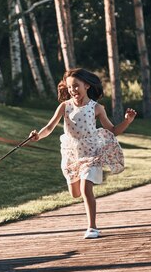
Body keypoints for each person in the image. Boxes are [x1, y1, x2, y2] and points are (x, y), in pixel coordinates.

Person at [29, 68, 137, 239]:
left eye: (76, 86)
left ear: (86, 85)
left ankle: (92, 227)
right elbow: (49, 128)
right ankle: (85, 200)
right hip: (71, 153)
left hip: (91, 152)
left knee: (86, 188)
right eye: (70, 88)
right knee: (75, 193)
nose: (73, 90)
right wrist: (37, 136)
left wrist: (127, 121)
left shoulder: (97, 108)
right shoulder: (64, 106)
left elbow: (113, 130)